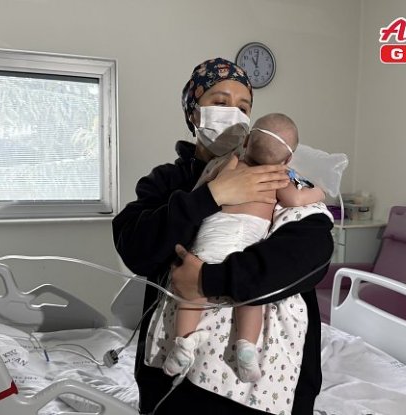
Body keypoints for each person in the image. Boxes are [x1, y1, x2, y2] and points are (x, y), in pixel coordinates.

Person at [112, 57, 333, 415]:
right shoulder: (168, 181)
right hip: (175, 387)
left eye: (243, 107)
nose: (233, 113)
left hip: (266, 389)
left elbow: (310, 255)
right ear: (193, 112)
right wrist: (211, 195)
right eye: (220, 101)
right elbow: (136, 248)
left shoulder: (281, 177)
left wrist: (207, 279)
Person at [161, 113, 326, 384]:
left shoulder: (230, 162)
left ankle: (183, 344)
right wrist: (320, 192)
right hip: (244, 247)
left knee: (190, 295)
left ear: (247, 141)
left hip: (211, 240)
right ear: (288, 159)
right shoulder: (279, 177)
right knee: (250, 297)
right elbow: (297, 200)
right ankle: (246, 348)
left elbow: (203, 185)